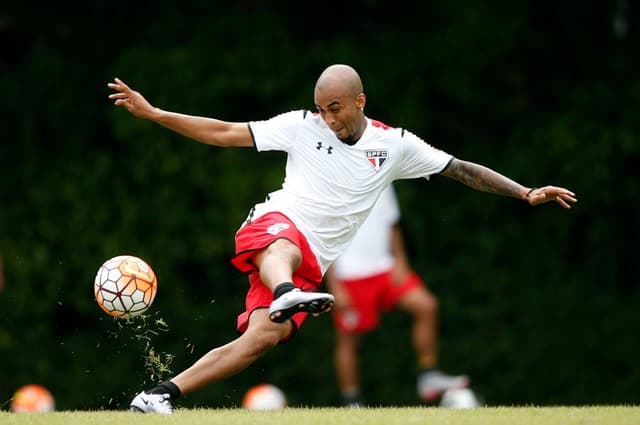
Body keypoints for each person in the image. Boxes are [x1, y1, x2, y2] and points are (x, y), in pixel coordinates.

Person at [107, 64, 576, 414]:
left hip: (310, 264)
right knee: (285, 249)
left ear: (360, 102)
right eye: (322, 109)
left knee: (260, 341)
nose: (328, 119)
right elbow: (224, 132)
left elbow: (461, 170)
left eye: (335, 109)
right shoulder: (300, 126)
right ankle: (287, 293)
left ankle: (158, 395)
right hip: (275, 227)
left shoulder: (394, 146)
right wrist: (154, 114)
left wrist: (524, 192)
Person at [325, 184, 468, 407]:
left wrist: (400, 260)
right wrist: (334, 284)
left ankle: (428, 375)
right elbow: (325, 237)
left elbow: (391, 223)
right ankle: (351, 400)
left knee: (426, 305)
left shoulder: (382, 173)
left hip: (386, 269)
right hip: (349, 277)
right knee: (348, 341)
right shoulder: (328, 184)